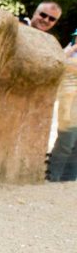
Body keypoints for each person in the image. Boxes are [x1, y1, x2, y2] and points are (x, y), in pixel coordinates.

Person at [48, 40, 77, 181]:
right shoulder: (68, 51)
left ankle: (69, 178)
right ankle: (53, 176)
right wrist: (73, 49)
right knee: (66, 142)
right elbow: (59, 62)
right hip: (68, 104)